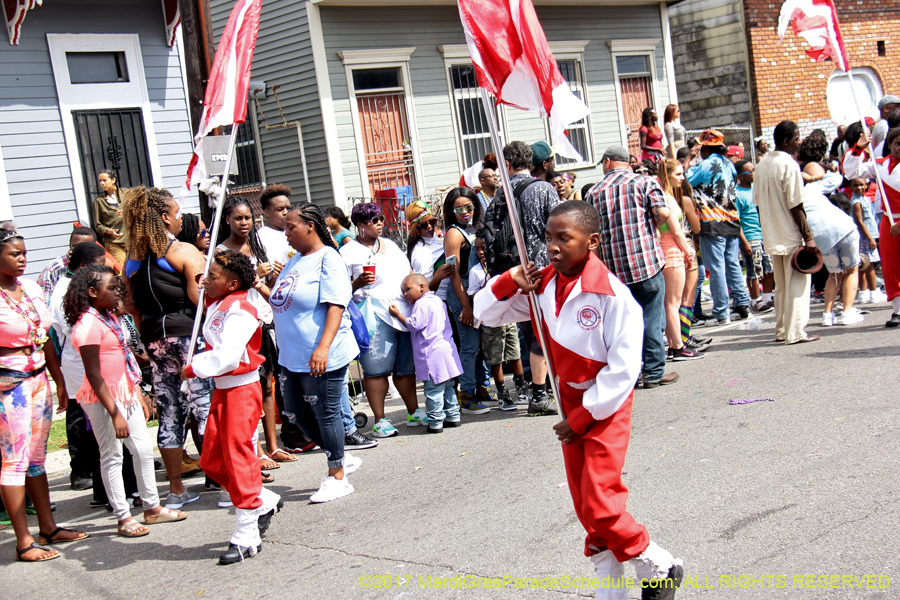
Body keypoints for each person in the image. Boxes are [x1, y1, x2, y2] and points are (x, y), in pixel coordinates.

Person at [473, 201, 683, 597]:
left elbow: (623, 370)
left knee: (602, 502)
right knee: (585, 506)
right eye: (548, 237)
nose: (552, 246)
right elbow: (486, 314)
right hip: (568, 405)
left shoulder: (613, 296)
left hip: (604, 407)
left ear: (592, 242)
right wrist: (509, 280)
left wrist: (583, 417)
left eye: (563, 238)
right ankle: (611, 590)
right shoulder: (541, 286)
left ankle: (657, 561)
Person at [67, 265, 187, 538]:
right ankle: (123, 517)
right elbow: (94, 374)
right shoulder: (87, 325)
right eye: (111, 287)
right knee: (113, 454)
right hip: (102, 398)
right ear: (92, 292)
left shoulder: (109, 318)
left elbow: (123, 360)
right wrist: (115, 413)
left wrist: (138, 394)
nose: (117, 291)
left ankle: (152, 507)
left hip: (125, 392)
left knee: (143, 449)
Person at [182, 250, 283, 564]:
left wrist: (193, 367)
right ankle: (262, 499)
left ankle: (246, 532)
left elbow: (226, 357)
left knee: (239, 459)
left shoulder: (240, 309)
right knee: (212, 459)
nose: (205, 280)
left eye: (212, 276)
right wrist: (207, 292)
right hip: (223, 391)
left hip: (241, 390)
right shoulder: (219, 303)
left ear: (233, 283)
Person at [0, 228, 89, 561]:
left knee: (36, 459)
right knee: (14, 461)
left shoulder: (32, 289)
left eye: (24, 252)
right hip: (10, 386)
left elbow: (47, 338)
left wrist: (59, 380)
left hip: (39, 381)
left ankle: (48, 527)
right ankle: (23, 541)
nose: (22, 259)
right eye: (14, 254)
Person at [122, 186, 213, 507]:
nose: (179, 220)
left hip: (154, 339)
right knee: (207, 408)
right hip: (188, 337)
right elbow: (200, 298)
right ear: (163, 217)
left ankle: (175, 491)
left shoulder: (131, 262)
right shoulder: (183, 251)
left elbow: (131, 306)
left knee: (171, 412)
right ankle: (228, 483)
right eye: (176, 214)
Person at [273, 203, 363, 501]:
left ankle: (337, 475)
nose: (286, 233)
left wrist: (323, 347)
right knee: (296, 414)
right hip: (292, 354)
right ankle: (338, 453)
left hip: (321, 352)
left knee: (325, 412)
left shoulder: (329, 258)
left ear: (310, 226)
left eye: (291, 227)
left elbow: (336, 305)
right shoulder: (295, 260)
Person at [588, 145, 678, 388]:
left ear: (607, 162)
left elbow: (590, 233)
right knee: (651, 317)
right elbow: (662, 213)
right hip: (646, 263)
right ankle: (654, 372)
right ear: (625, 162)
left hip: (614, 270)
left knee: (623, 324)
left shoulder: (594, 192)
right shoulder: (645, 183)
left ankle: (632, 372)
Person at [215, 197, 294, 467]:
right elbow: (222, 289)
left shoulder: (257, 245)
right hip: (241, 325)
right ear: (227, 220)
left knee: (269, 384)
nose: (244, 223)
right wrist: (254, 275)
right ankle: (256, 448)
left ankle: (273, 446)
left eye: (248, 217)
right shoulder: (221, 252)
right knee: (251, 387)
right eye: (238, 218)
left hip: (265, 320)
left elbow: (267, 283)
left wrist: (273, 274)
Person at [342, 203, 424, 437]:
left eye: (380, 218)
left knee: (405, 369)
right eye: (373, 220)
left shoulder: (388, 244)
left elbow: (407, 270)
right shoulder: (348, 252)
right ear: (360, 225)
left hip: (402, 311)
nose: (380, 223)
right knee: (376, 370)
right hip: (374, 314)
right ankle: (380, 420)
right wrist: (357, 283)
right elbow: (339, 288)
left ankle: (413, 412)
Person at [492, 141, 560, 415]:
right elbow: (559, 226)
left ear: (507, 164)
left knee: (530, 329)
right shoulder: (544, 189)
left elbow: (491, 233)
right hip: (543, 268)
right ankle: (541, 393)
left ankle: (537, 388)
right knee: (546, 329)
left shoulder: (500, 194)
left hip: (514, 272)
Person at [753, 121, 821, 344]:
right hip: (790, 233)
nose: (798, 142)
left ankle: (782, 330)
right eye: (796, 138)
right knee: (797, 286)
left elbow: (758, 203)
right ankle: (796, 332)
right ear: (786, 141)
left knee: (781, 287)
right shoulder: (789, 165)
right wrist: (808, 236)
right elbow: (796, 205)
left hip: (771, 232)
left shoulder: (762, 165)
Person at [49, 242, 108, 495]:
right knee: (86, 425)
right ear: (84, 267)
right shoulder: (65, 291)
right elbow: (73, 331)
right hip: (79, 365)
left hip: (94, 362)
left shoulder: (82, 287)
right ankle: (86, 475)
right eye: (100, 266)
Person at [683, 129, 751, 324]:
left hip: (712, 222)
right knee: (732, 264)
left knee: (716, 268)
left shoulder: (706, 164)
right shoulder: (728, 163)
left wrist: (689, 156)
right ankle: (741, 304)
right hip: (731, 220)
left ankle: (722, 313)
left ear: (705, 147)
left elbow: (684, 179)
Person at [389, 274, 463, 433]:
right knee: (448, 386)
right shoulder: (438, 301)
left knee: (433, 389)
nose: (405, 294)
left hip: (432, 355)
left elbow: (414, 324)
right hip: (446, 350)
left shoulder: (421, 304)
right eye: (403, 291)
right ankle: (453, 415)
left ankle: (435, 421)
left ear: (422, 287)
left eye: (408, 289)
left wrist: (398, 315)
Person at [442, 188, 493, 415]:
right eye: (458, 209)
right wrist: (464, 305)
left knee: (480, 344)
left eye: (469, 207)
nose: (464, 212)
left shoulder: (475, 227)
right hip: (461, 291)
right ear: (451, 211)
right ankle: (467, 394)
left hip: (478, 290)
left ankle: (482, 387)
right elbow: (453, 272)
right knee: (469, 345)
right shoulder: (453, 234)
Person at [842, 127, 900, 327]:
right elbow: (852, 172)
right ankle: (898, 309)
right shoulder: (880, 166)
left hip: (898, 222)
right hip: (888, 220)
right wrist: (858, 150)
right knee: (891, 266)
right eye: (897, 144)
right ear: (890, 145)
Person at [468, 237, 528, 408]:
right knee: (496, 359)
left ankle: (521, 389)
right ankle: (502, 394)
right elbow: (473, 296)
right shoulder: (476, 272)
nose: (482, 252)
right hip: (490, 322)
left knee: (515, 354)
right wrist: (488, 290)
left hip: (508, 319)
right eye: (478, 249)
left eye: (484, 248)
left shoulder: (502, 266)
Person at [657, 160, 703, 361]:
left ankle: (676, 344)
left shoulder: (663, 196)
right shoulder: (665, 197)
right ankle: (677, 345)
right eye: (678, 174)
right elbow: (676, 231)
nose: (682, 178)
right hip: (672, 250)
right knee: (672, 303)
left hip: (668, 249)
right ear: (667, 176)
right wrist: (688, 251)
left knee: (671, 302)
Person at [806, 187, 863, 326]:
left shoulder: (788, 197)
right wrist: (812, 176)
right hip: (845, 229)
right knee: (851, 270)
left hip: (821, 236)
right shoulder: (812, 188)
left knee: (833, 274)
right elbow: (835, 178)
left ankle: (827, 315)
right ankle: (846, 312)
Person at [733, 160, 775, 313]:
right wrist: (744, 242)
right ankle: (756, 300)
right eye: (750, 171)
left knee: (769, 267)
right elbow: (736, 220)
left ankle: (767, 297)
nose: (754, 173)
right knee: (754, 270)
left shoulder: (757, 190)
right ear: (740, 177)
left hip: (765, 235)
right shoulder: (737, 194)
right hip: (751, 236)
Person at [37, 227, 98, 303]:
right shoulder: (54, 268)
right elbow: (43, 301)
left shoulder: (99, 268)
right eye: (75, 246)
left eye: (86, 248)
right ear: (70, 244)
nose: (80, 252)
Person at [849, 178, 886, 304]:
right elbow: (859, 221)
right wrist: (870, 238)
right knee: (869, 264)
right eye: (855, 185)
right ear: (850, 187)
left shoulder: (867, 199)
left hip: (869, 234)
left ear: (867, 185)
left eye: (861, 185)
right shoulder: (856, 202)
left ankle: (864, 293)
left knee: (864, 265)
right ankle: (873, 292)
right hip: (864, 237)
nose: (859, 188)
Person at [92, 170, 128, 264]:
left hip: (131, 240)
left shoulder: (125, 193)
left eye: (104, 180)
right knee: (123, 270)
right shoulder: (99, 201)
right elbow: (98, 225)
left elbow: (139, 210)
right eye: (100, 181)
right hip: (114, 242)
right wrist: (110, 231)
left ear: (113, 180)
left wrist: (126, 213)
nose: (102, 183)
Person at [257, 184, 292, 269]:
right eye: (280, 209)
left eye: (288, 208)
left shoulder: (292, 232)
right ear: (267, 213)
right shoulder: (262, 237)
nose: (285, 212)